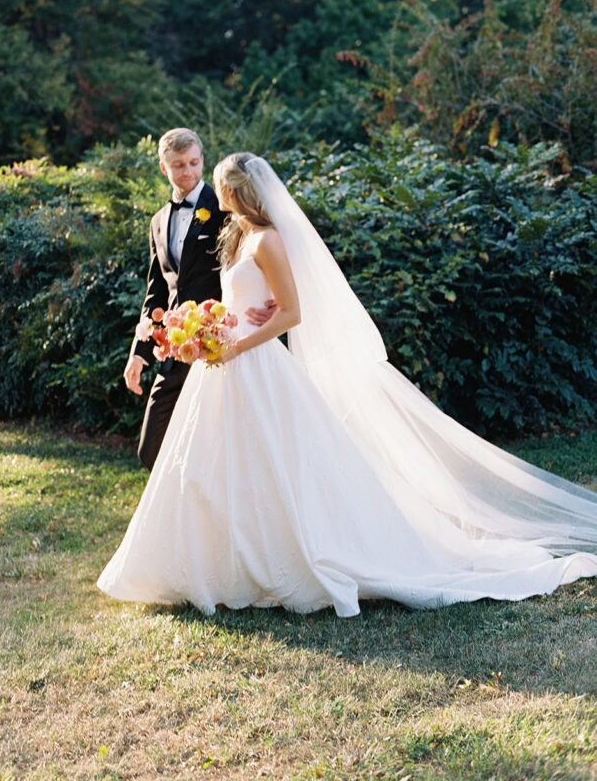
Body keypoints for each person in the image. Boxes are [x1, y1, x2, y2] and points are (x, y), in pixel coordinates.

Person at [100, 153, 597, 616]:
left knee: (274, 467)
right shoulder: (238, 236)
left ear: (237, 192)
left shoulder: (269, 239)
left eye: (223, 189)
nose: (217, 195)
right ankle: (214, 563)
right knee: (210, 469)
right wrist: (208, 326)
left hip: (254, 366)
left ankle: (279, 560)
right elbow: (243, 301)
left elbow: (293, 312)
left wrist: (239, 343)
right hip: (223, 366)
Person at [123, 130, 274, 470]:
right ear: (164, 168)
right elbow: (157, 292)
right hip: (177, 348)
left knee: (221, 451)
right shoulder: (157, 222)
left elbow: (265, 247)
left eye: (193, 163)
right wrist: (140, 351)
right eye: (178, 165)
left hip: (222, 348)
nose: (188, 172)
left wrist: (275, 297)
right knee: (151, 450)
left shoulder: (225, 206)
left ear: (203, 160)